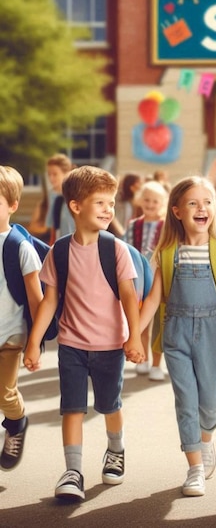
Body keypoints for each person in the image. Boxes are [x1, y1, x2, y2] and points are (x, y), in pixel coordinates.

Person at [23, 166, 144, 502]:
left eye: (112, 203)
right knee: (72, 408)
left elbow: (129, 296)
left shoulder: (115, 249)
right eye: (101, 203)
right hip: (72, 345)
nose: (109, 210)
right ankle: (72, 471)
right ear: (76, 207)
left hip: (109, 346)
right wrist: (34, 343)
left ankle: (116, 449)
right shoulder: (59, 251)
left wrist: (134, 337)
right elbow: (50, 300)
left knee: (109, 405)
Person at [138, 176, 216, 497]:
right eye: (193, 203)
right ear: (177, 211)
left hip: (213, 331)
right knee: (186, 401)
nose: (202, 208)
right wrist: (133, 336)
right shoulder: (168, 252)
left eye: (208, 202)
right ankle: (194, 467)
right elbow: (155, 298)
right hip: (176, 331)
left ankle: (206, 438)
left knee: (208, 402)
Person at [0, 166, 43, 471]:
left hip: (10, 335)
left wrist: (34, 343)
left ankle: (16, 423)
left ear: (13, 206)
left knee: (4, 392)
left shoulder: (20, 247)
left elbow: (36, 298)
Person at [124, 180, 169, 381]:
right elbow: (125, 250)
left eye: (155, 201)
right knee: (139, 320)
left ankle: (157, 364)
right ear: (140, 200)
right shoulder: (134, 226)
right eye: (147, 200)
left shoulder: (167, 226)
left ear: (163, 203)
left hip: (161, 280)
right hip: (138, 281)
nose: (150, 204)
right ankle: (141, 357)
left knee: (159, 323)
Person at [45, 153, 74, 243]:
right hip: (61, 242)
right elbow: (53, 226)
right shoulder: (53, 195)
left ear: (66, 173)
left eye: (55, 174)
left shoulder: (76, 194)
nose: (51, 178)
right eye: (49, 174)